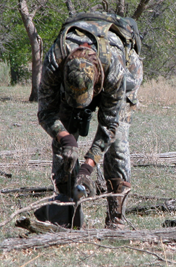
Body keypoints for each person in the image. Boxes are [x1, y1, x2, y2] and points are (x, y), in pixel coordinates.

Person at [35, 11, 143, 229]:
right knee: (62, 144)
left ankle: (116, 219)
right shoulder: (55, 59)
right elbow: (46, 112)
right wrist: (65, 138)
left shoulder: (115, 71)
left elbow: (109, 127)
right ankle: (66, 210)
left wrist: (88, 167)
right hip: (72, 84)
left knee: (118, 146)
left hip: (124, 71)